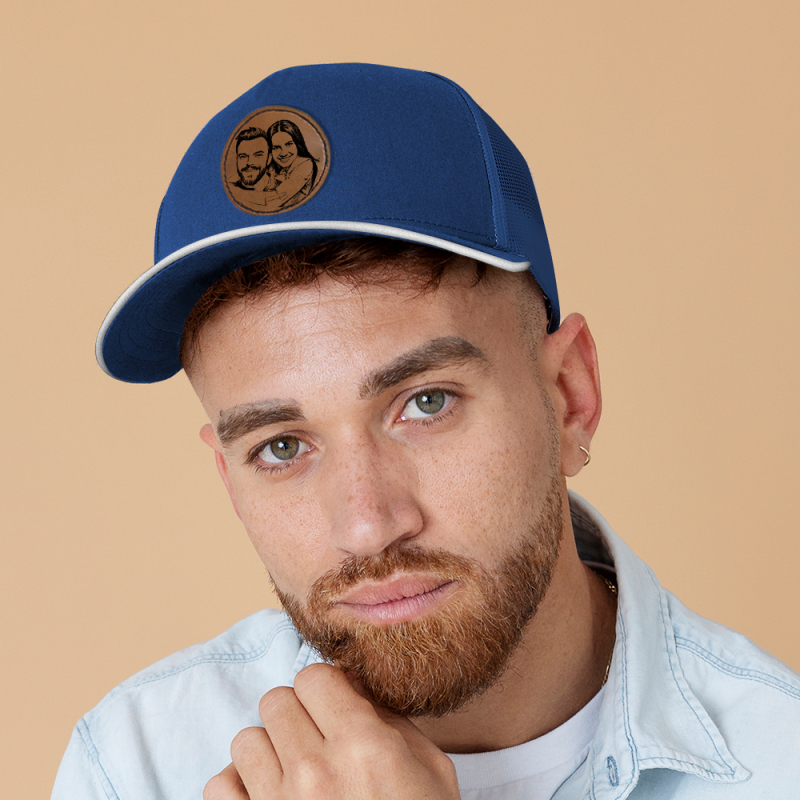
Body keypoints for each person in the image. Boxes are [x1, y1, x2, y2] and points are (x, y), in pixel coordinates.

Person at [55, 63, 800, 799]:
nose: (368, 526)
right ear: (229, 481)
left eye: (426, 403)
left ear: (570, 396)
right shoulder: (134, 769)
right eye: (281, 447)